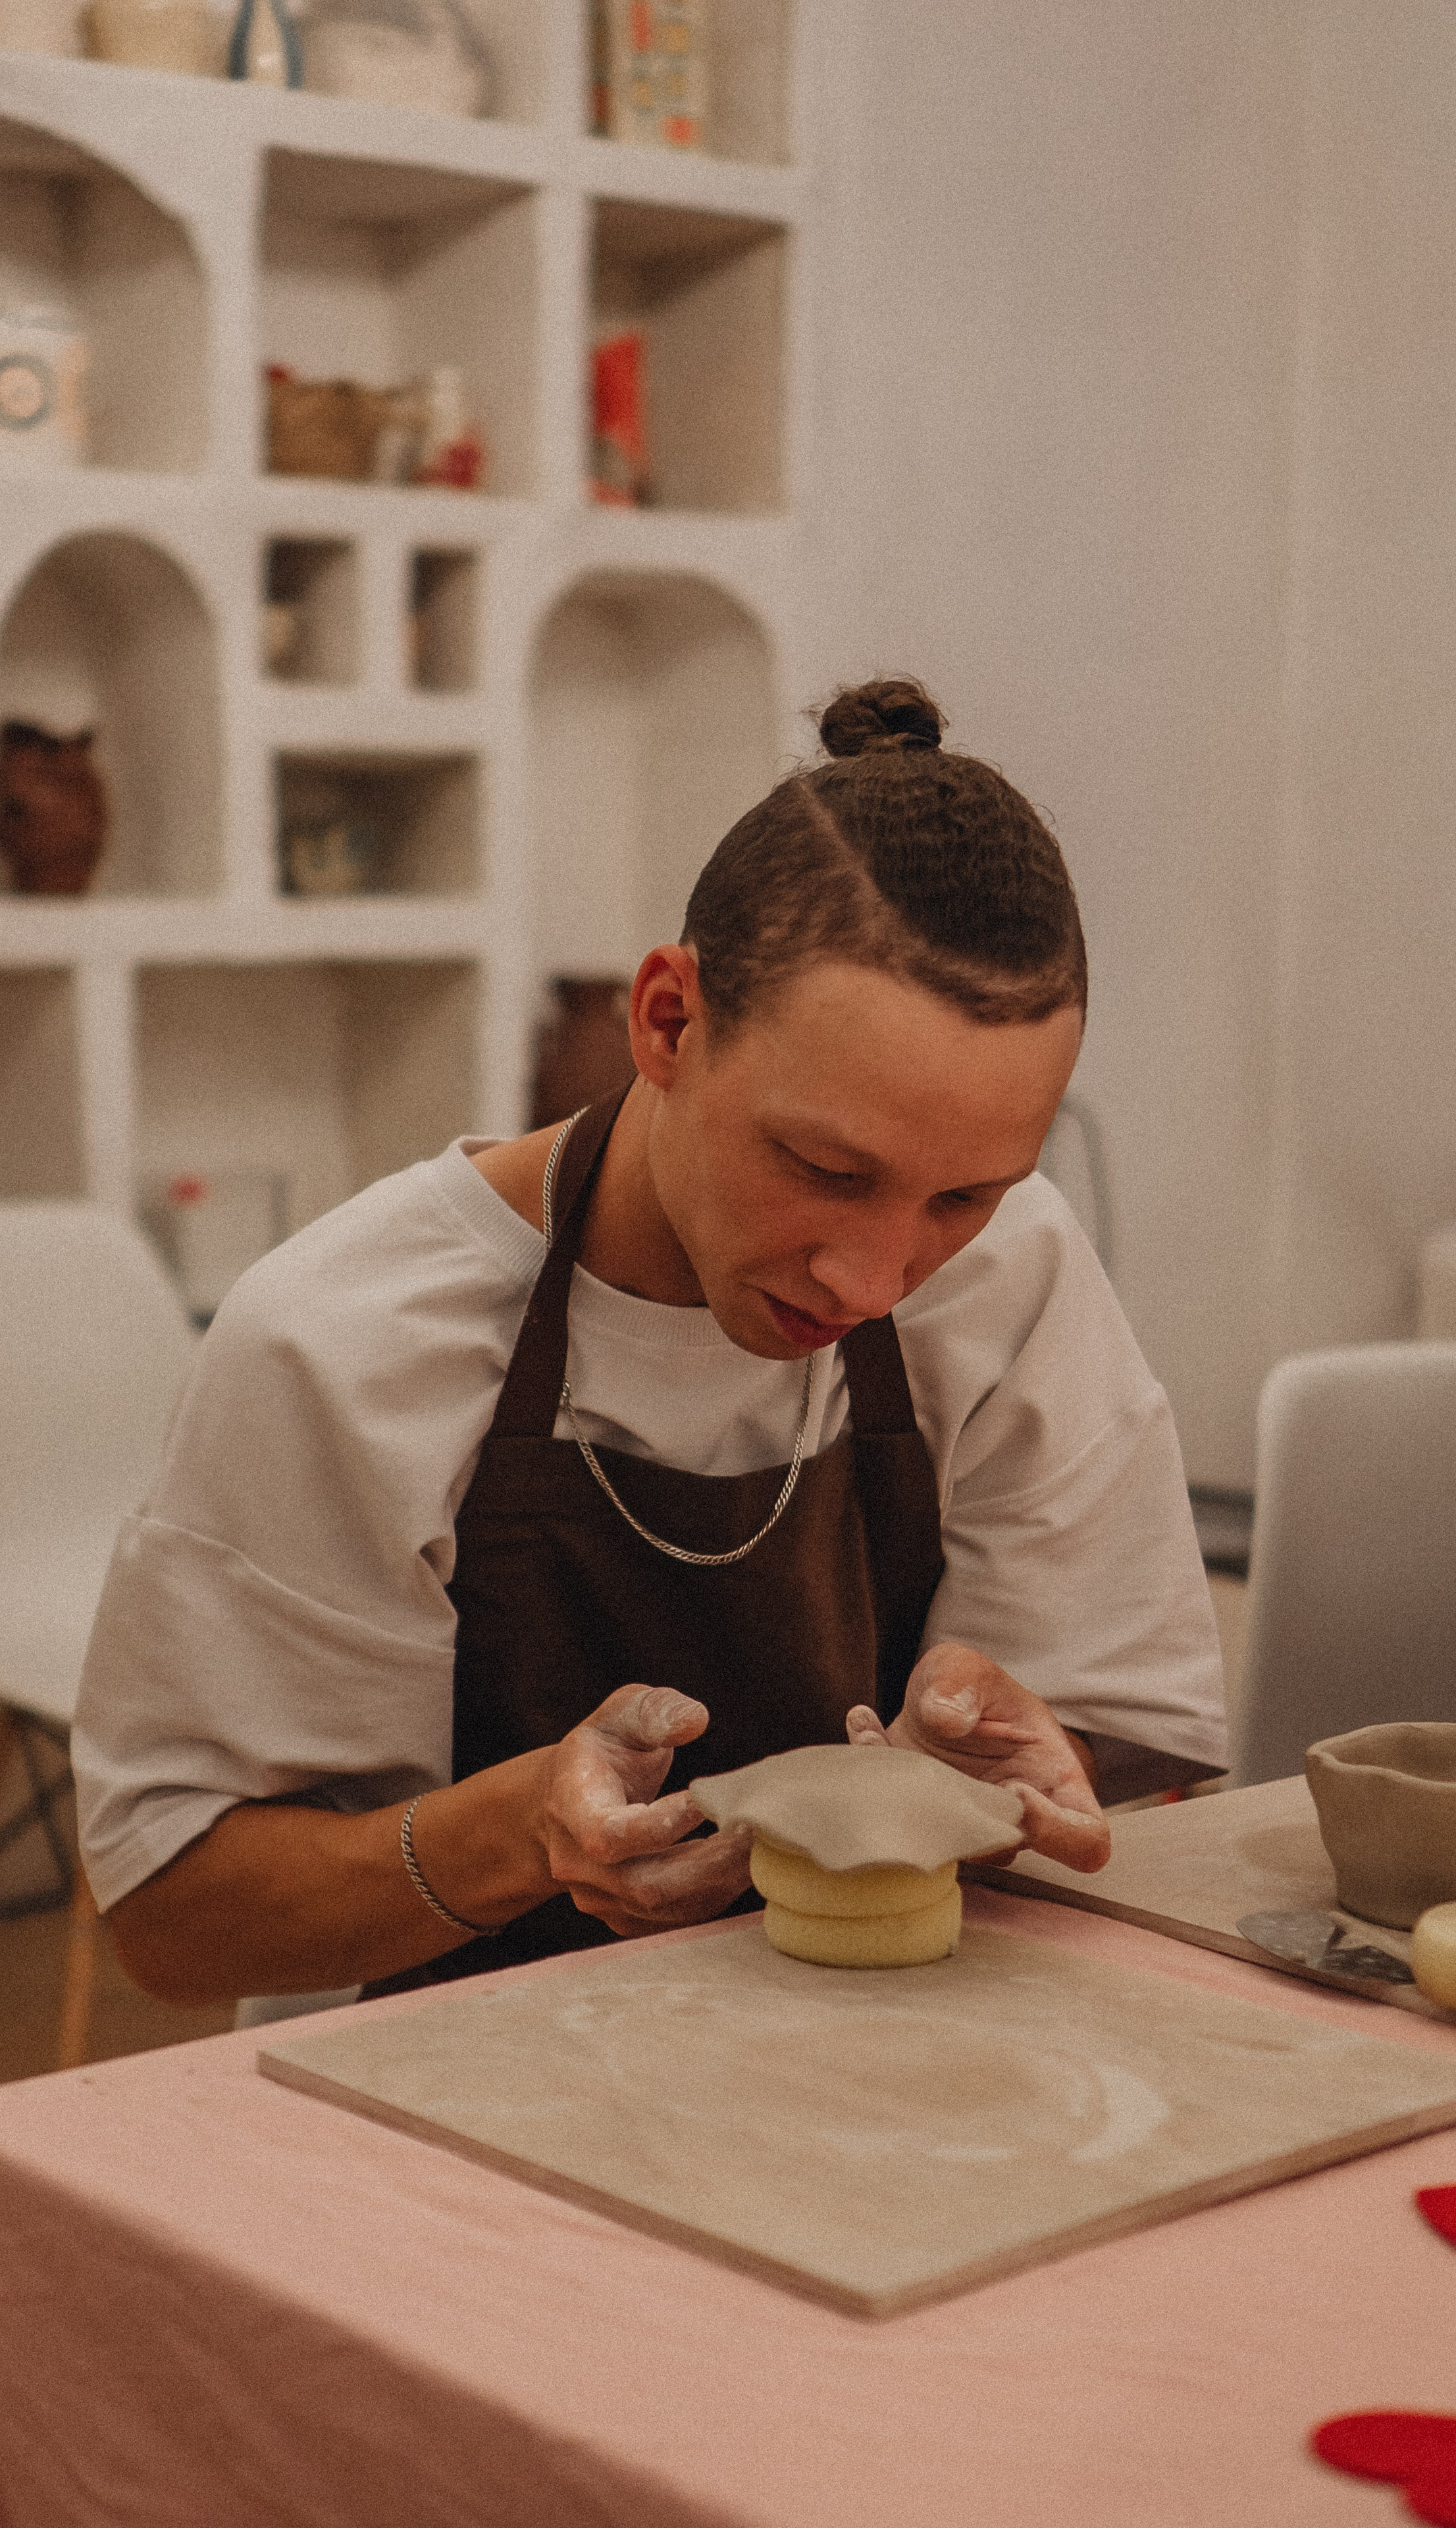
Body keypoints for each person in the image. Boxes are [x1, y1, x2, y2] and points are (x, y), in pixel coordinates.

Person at [74, 678, 1226, 2006]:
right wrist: (516, 1837)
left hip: (877, 2056)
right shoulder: (342, 1345)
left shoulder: (1013, 1271)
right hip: (451, 2091)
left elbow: (1129, 1756)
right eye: (821, 1167)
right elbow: (179, 1923)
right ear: (667, 1020)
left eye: (959, 1195)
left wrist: (1005, 1766)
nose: (872, 1275)